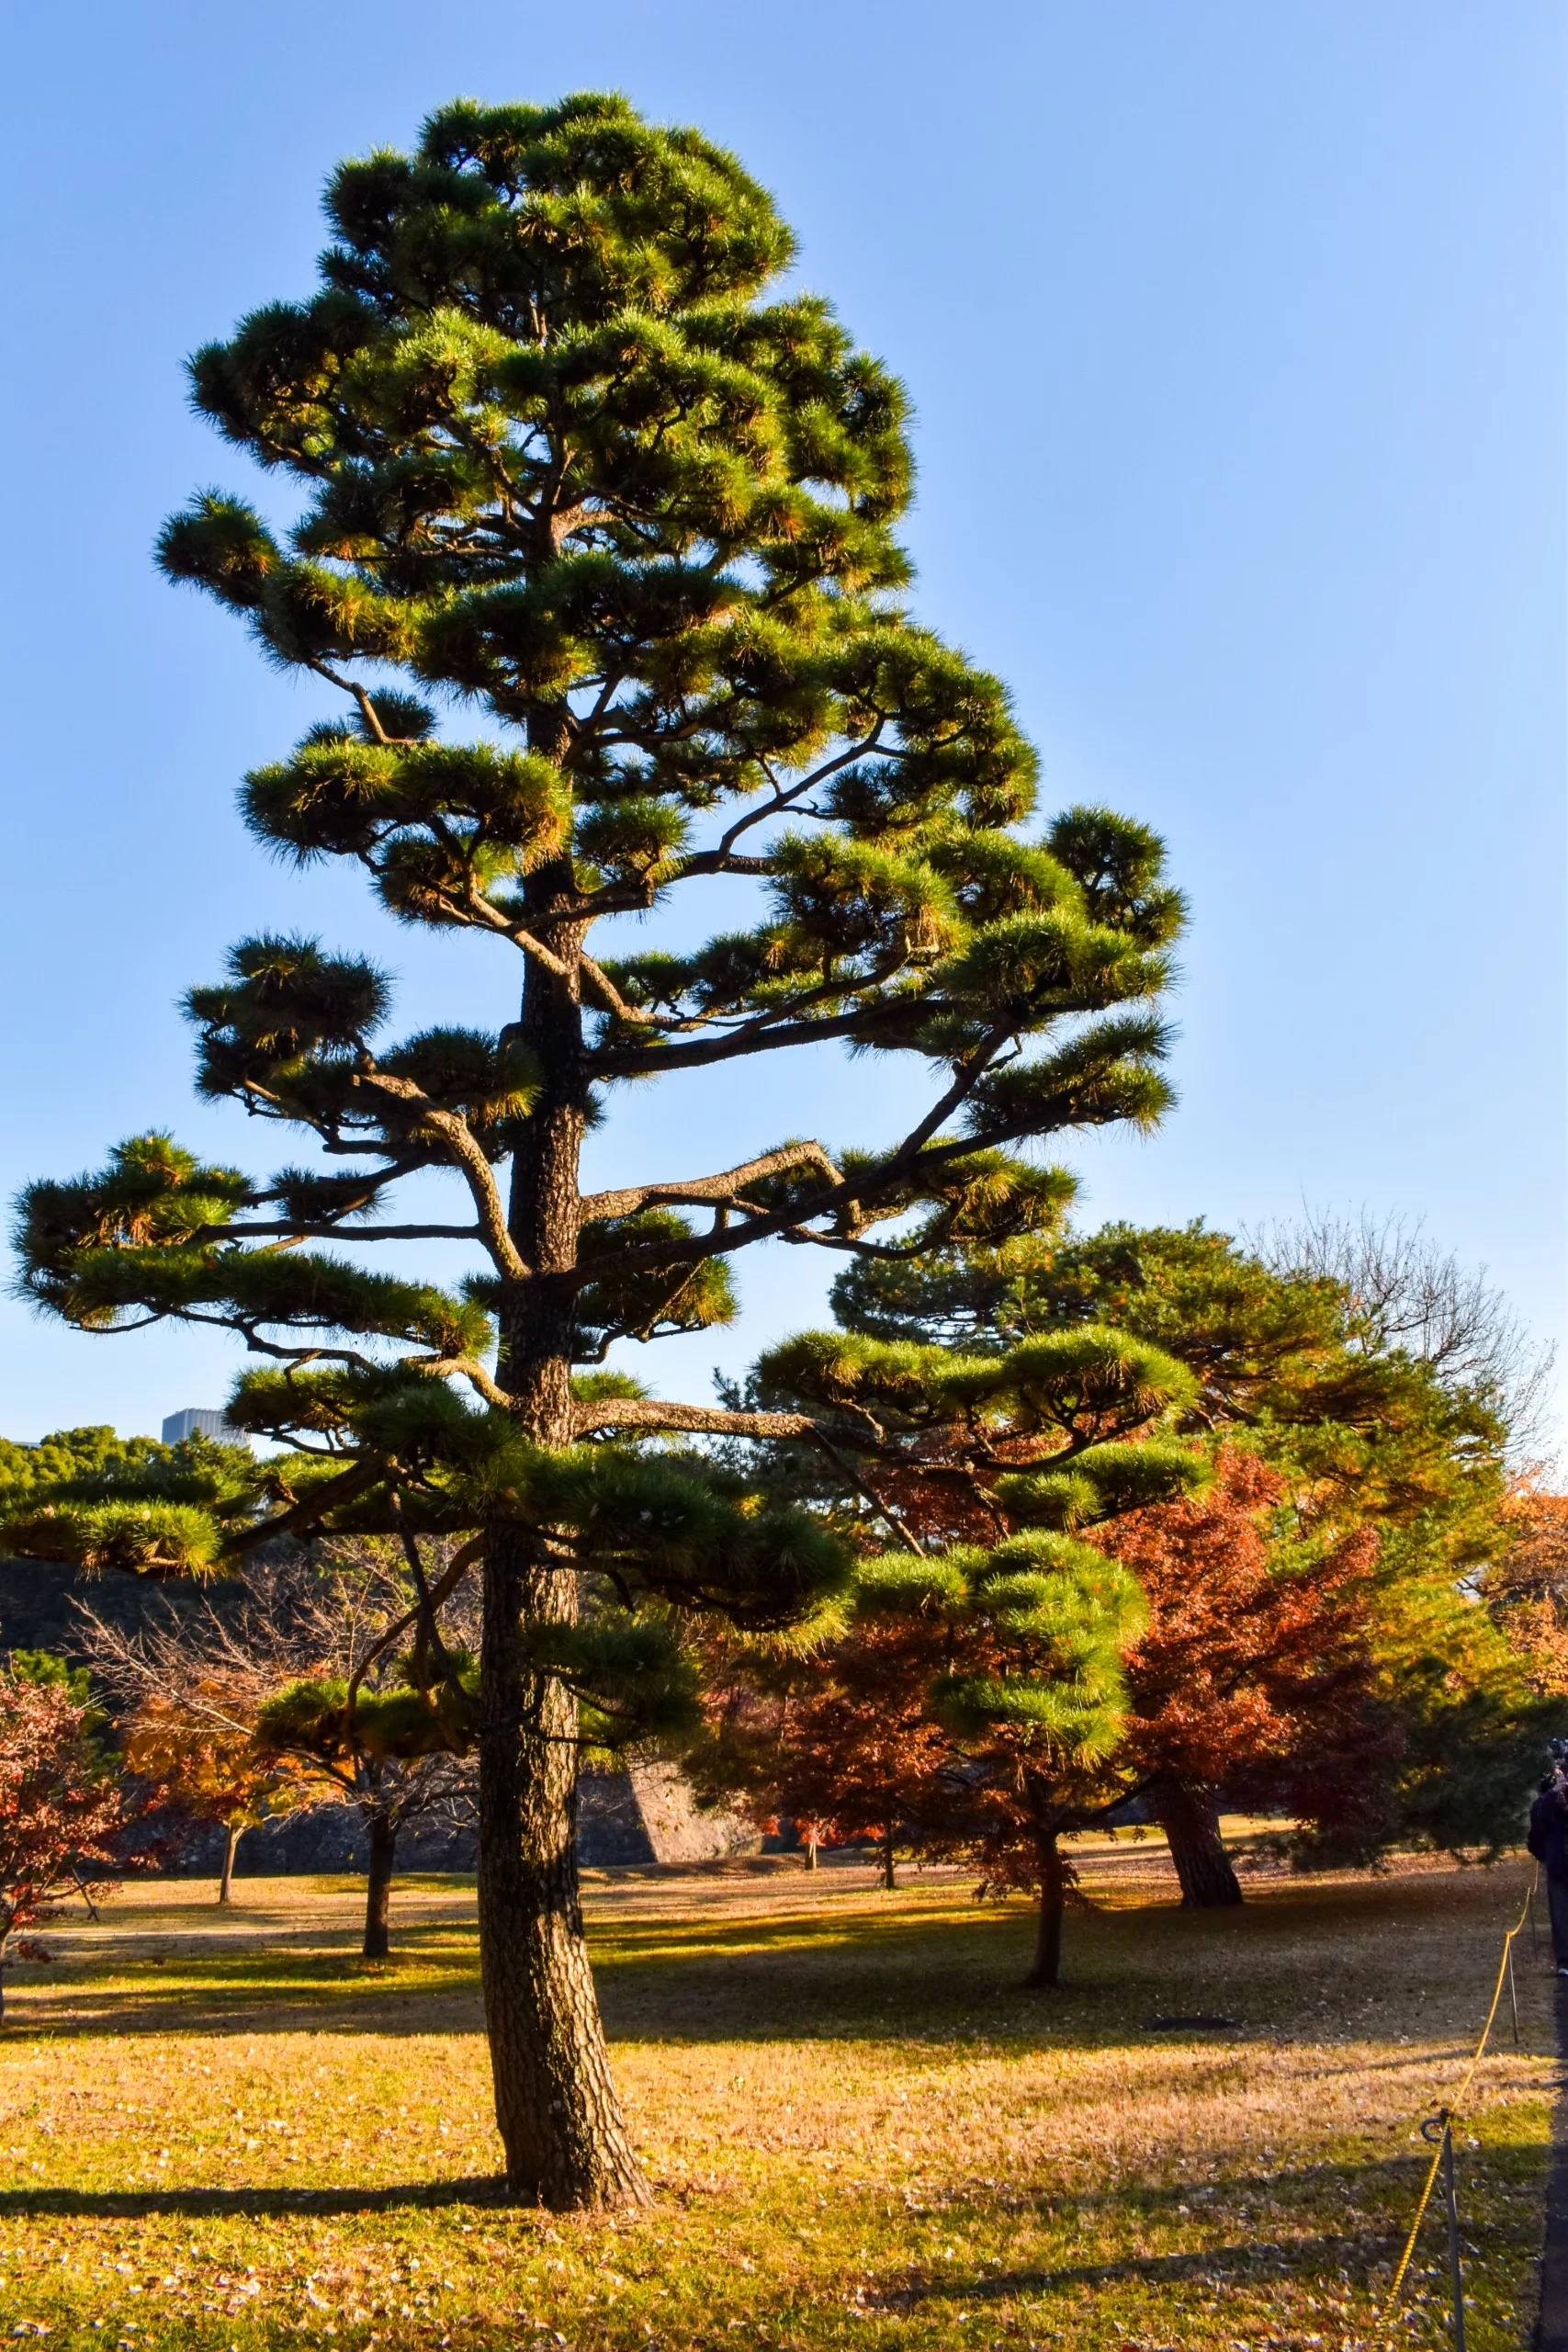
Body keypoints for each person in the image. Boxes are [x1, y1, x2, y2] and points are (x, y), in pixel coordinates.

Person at [1527, 1753, 1568, 1977]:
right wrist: (1554, 1795)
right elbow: (1539, 1818)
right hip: (1559, 1865)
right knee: (1560, 1916)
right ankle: (1564, 1961)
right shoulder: (1551, 1795)